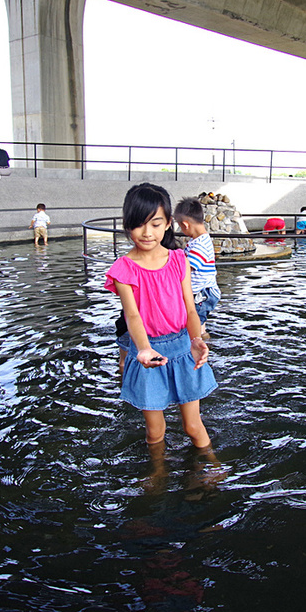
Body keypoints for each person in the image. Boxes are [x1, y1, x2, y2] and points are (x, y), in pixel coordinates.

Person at [105, 183, 216, 449]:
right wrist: (143, 349)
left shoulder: (179, 260)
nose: (146, 233)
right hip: (149, 352)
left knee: (193, 425)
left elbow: (190, 308)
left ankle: (212, 466)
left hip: (181, 347)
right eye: (138, 224)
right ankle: (157, 473)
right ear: (127, 225)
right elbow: (132, 316)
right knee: (155, 432)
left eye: (155, 224)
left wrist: (196, 338)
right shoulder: (123, 269)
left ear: (168, 223)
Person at [175, 197, 220, 333]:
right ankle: (204, 342)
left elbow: (186, 269)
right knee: (200, 325)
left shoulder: (199, 246)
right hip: (202, 292)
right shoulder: (200, 240)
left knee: (194, 328)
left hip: (203, 293)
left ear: (186, 224)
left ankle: (202, 348)